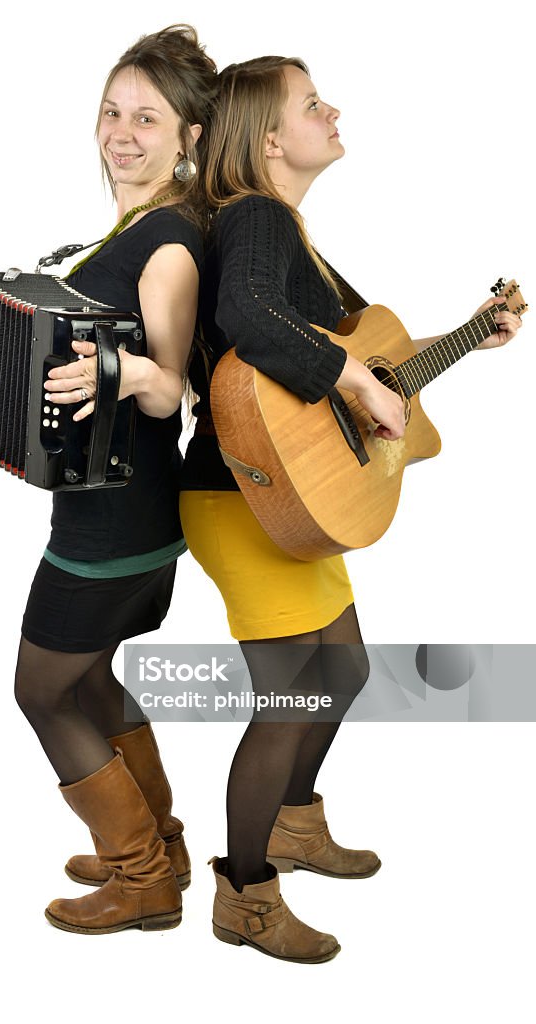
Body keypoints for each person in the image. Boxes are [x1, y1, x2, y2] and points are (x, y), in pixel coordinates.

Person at [180, 56, 522, 963]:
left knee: (342, 669)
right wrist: (353, 383)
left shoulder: (291, 231)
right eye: (311, 104)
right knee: (290, 696)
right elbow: (251, 314)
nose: (333, 112)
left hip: (299, 498)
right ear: (266, 138)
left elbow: (373, 361)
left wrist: (465, 337)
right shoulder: (255, 216)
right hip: (244, 498)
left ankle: (293, 822)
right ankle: (244, 896)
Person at [13, 25, 217, 935]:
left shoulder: (168, 242)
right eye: (111, 110)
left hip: (116, 524)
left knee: (41, 690)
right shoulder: (134, 227)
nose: (121, 132)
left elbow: (169, 383)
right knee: (91, 681)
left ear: (188, 141)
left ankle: (141, 878)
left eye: (146, 118)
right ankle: (156, 841)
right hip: (123, 514)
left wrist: (120, 374)